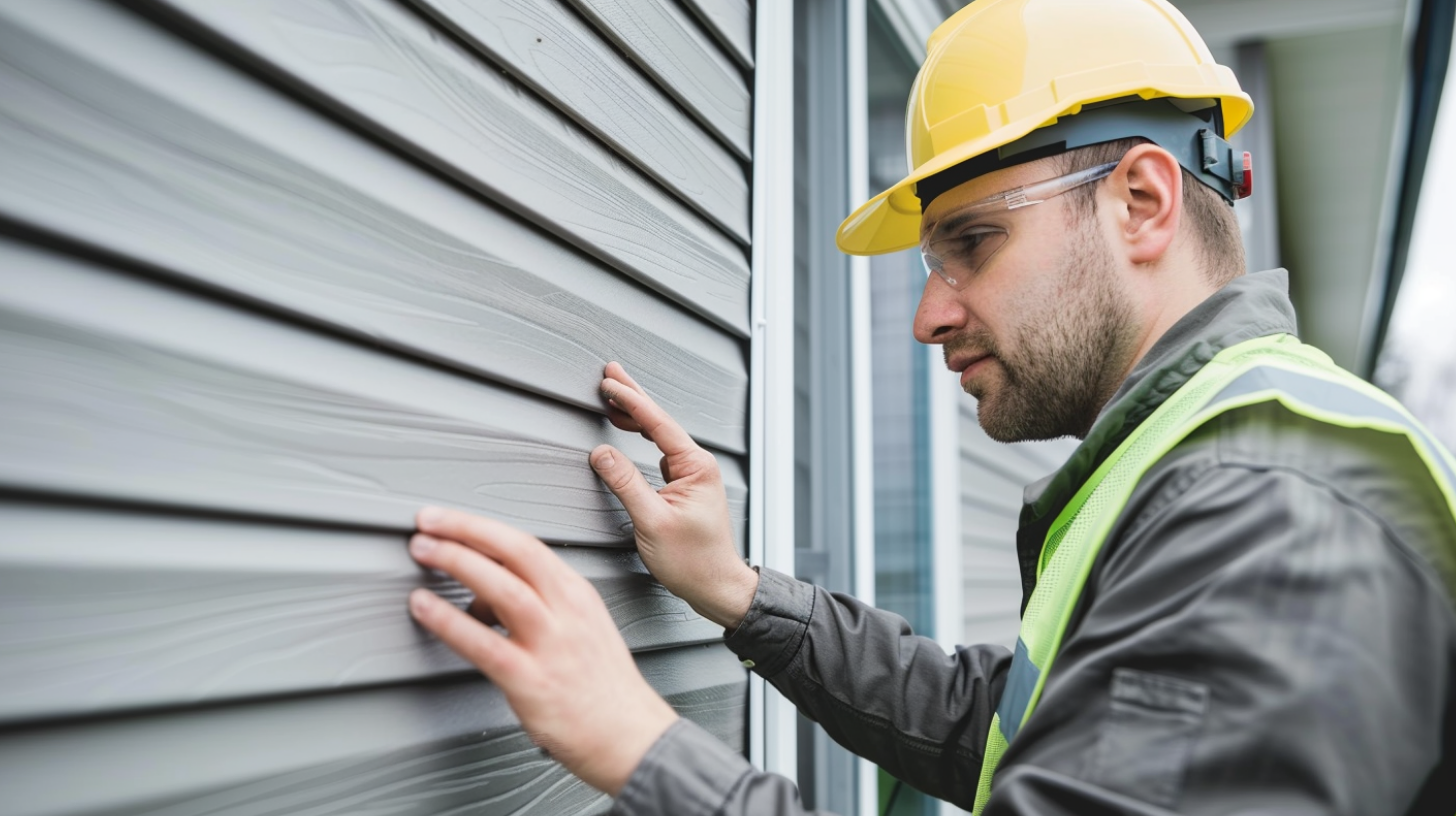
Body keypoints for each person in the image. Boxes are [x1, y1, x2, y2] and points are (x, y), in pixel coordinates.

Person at [404, 0, 1456, 813]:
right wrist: (734, 590)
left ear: (1141, 202)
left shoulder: (1265, 515)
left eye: (972, 242)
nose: (927, 316)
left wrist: (643, 751)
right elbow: (1002, 724)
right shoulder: (1216, 464)